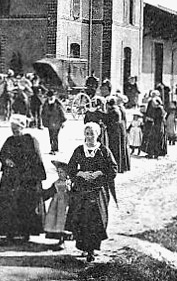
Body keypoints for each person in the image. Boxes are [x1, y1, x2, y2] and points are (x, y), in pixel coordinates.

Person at [65, 122, 118, 262]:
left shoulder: (103, 151)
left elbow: (113, 169)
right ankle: (83, 247)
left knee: (95, 219)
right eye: (87, 134)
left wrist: (99, 173)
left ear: (97, 135)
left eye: (92, 134)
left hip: (97, 189)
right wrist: (80, 173)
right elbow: (70, 168)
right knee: (81, 218)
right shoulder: (79, 150)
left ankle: (92, 250)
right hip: (82, 189)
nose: (89, 137)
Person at [0, 114, 46, 245]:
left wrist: (33, 176)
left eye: (17, 127)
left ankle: (25, 233)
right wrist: (6, 160)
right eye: (12, 127)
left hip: (26, 179)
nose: (14, 130)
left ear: (23, 127)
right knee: (8, 204)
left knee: (25, 205)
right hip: (10, 179)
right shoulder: (9, 140)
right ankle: (9, 233)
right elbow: (2, 154)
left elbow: (37, 159)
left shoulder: (30, 140)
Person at [43, 160, 72, 251]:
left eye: (62, 172)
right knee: (56, 222)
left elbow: (73, 194)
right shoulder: (56, 183)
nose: (60, 174)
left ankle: (63, 240)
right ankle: (60, 240)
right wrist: (42, 196)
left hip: (65, 205)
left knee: (64, 221)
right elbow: (50, 192)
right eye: (58, 172)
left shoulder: (69, 183)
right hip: (56, 206)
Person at [103, 97, 130, 173]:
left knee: (115, 149)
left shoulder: (113, 111)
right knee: (120, 148)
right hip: (119, 130)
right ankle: (121, 167)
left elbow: (107, 120)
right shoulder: (118, 109)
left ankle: (117, 166)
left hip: (115, 132)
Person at [141, 91, 167, 159]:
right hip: (158, 125)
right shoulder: (160, 107)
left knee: (152, 138)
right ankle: (156, 153)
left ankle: (152, 153)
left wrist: (147, 118)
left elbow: (149, 114)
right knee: (157, 139)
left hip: (153, 124)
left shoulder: (152, 103)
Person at [42, 90, 66, 155]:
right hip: (50, 123)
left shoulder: (58, 103)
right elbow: (43, 113)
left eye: (51, 96)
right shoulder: (46, 103)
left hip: (57, 122)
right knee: (51, 136)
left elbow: (62, 113)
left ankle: (53, 149)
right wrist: (44, 122)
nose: (50, 98)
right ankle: (55, 148)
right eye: (49, 97)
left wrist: (63, 122)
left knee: (55, 136)